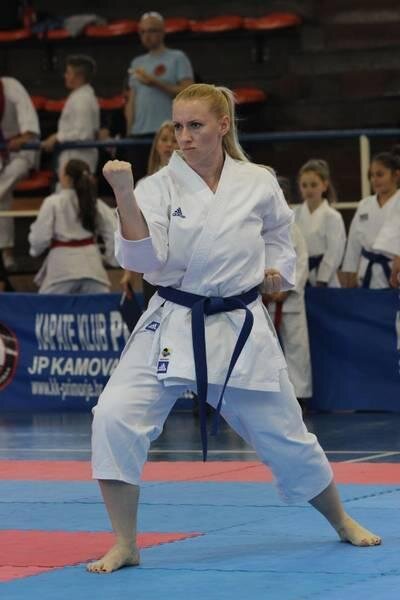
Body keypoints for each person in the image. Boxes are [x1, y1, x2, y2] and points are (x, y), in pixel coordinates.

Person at [87, 83, 380, 575]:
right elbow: (142, 259)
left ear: (222, 126)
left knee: (287, 435)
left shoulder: (257, 181)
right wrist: (123, 195)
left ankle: (341, 519)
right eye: (178, 126)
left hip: (239, 326)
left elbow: (281, 236)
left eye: (195, 125)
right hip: (173, 319)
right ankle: (125, 542)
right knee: (113, 415)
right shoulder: (156, 187)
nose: (184, 136)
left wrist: (276, 270)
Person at [123, 11, 193, 181]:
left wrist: (154, 82)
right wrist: (129, 131)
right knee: (139, 183)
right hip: (139, 133)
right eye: (142, 32)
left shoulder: (177, 58)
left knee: (171, 181)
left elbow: (189, 91)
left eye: (151, 30)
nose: (147, 36)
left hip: (167, 132)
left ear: (162, 32)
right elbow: (132, 100)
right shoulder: (137, 62)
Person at [29, 159, 116, 294]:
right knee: (101, 306)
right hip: (92, 267)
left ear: (67, 178)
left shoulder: (53, 202)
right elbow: (113, 230)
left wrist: (35, 250)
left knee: (46, 306)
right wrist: (111, 258)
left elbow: (39, 238)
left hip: (61, 268)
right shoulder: (95, 203)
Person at [120, 120, 178, 308]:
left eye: (174, 140)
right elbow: (134, 228)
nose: (169, 145)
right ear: (156, 145)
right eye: (164, 139)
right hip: (153, 267)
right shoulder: (144, 185)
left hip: (181, 265)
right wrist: (129, 272)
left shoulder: (191, 183)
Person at [264, 176, 312, 405]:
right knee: (262, 349)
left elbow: (301, 262)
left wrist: (286, 288)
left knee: (296, 348)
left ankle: (300, 396)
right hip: (263, 300)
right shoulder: (256, 227)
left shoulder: (293, 228)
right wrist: (263, 288)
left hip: (290, 301)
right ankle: (267, 395)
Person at [342, 150, 400, 288]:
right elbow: (353, 242)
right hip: (366, 272)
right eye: (371, 175)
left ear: (396, 175)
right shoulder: (365, 204)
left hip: (395, 271)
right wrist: (350, 271)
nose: (374, 180)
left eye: (380, 175)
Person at [0, 76, 40, 269]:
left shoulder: (11, 86)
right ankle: (7, 255)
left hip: (21, 151)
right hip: (1, 151)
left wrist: (25, 136)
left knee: (14, 173)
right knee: (3, 201)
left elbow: (28, 119)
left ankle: (7, 255)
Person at [41, 55, 100, 177]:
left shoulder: (82, 99)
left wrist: (57, 137)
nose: (65, 76)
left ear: (79, 77)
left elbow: (84, 134)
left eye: (68, 73)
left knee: (73, 189)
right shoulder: (80, 96)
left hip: (78, 160)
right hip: (75, 158)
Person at [295, 159, 346, 287]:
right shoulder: (294, 214)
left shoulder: (332, 217)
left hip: (325, 280)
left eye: (314, 185)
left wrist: (322, 279)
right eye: (304, 185)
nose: (309, 190)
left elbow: (334, 252)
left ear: (324, 185)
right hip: (299, 275)